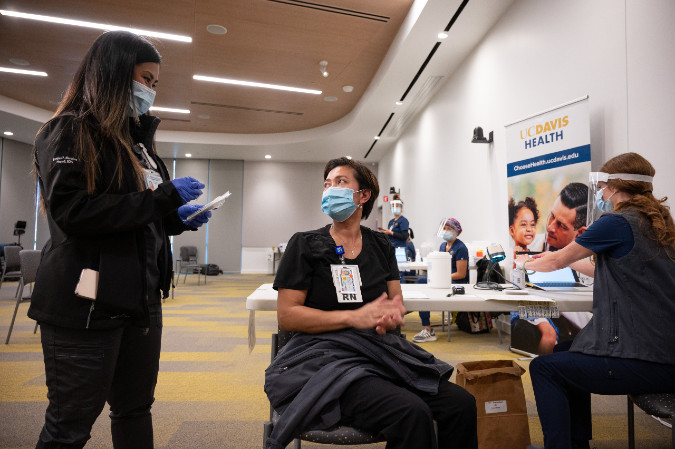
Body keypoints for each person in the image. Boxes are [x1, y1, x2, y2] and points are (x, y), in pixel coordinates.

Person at [28, 31, 211, 449]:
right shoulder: (67, 131)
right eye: (144, 79)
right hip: (86, 300)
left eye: (155, 83)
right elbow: (74, 214)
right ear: (112, 74)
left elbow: (134, 215)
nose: (150, 90)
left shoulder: (136, 142)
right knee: (70, 424)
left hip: (140, 299)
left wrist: (174, 219)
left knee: (134, 409)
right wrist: (162, 198)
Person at [265, 157, 477, 449]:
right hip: (324, 358)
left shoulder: (381, 246)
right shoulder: (305, 244)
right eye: (326, 184)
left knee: (461, 404)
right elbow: (287, 316)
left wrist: (391, 316)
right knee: (411, 413)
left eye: (340, 182)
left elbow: (395, 301)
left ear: (363, 195)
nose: (329, 190)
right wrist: (353, 318)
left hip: (377, 351)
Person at [515, 153, 675, 449]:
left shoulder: (615, 222)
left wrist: (524, 264)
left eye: (602, 186)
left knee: (543, 368)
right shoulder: (657, 223)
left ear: (614, 187)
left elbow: (555, 261)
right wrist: (564, 260)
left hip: (642, 359)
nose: (600, 193)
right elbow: (604, 266)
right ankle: (577, 444)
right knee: (568, 349)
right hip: (663, 353)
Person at [412, 218, 469, 343]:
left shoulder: (461, 248)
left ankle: (427, 329)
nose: (445, 231)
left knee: (427, 288)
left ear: (457, 232)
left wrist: (440, 277)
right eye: (444, 228)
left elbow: (461, 274)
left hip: (456, 283)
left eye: (449, 229)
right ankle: (427, 328)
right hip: (443, 280)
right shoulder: (443, 246)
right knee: (421, 282)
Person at [544, 182, 588, 251]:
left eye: (561, 225)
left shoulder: (592, 260)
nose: (549, 228)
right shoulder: (528, 245)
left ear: (581, 234)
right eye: (552, 216)